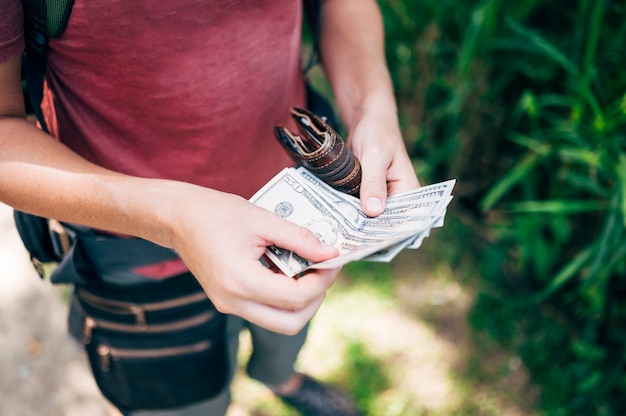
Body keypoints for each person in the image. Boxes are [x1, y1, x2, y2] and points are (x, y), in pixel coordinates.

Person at [0, 0, 420, 415]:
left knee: (286, 336)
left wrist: (373, 108)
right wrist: (172, 220)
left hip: (294, 210)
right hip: (136, 254)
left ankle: (280, 377)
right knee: (182, 404)